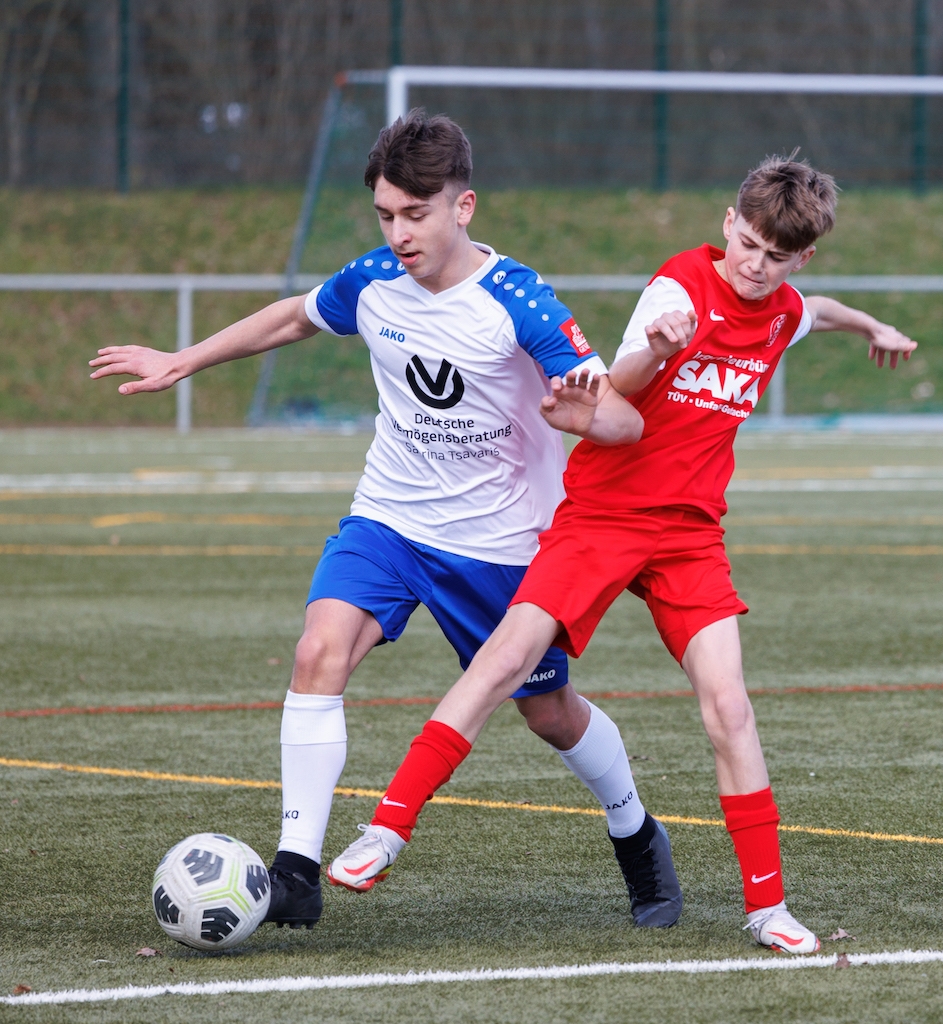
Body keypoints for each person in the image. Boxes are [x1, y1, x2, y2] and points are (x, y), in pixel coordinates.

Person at [89, 110, 684, 932]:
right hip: (390, 520)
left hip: (502, 542)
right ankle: (297, 870)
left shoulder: (521, 302)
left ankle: (635, 830)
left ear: (462, 207)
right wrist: (182, 360)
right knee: (318, 649)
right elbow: (295, 317)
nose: (399, 233)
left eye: (415, 214)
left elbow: (622, 419)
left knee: (548, 713)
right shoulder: (372, 281)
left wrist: (587, 419)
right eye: (385, 215)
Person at [330, 155, 919, 954]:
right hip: (604, 514)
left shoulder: (782, 309)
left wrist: (871, 326)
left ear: (801, 257)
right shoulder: (679, 288)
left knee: (730, 707)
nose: (755, 265)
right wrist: (657, 349)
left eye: (777, 257)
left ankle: (769, 909)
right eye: (748, 244)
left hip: (690, 533)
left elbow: (815, 310)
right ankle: (386, 831)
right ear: (728, 224)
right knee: (505, 659)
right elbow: (620, 388)